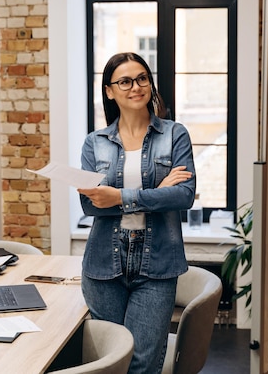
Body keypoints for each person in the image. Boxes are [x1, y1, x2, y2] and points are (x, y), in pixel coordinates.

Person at [77, 52, 196, 373]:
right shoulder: (95, 143)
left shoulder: (174, 135)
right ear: (109, 91)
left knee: (142, 363)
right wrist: (158, 193)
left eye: (142, 78)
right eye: (125, 81)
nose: (136, 87)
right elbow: (90, 205)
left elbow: (184, 196)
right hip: (103, 266)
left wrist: (118, 196)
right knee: (110, 360)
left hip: (157, 264)